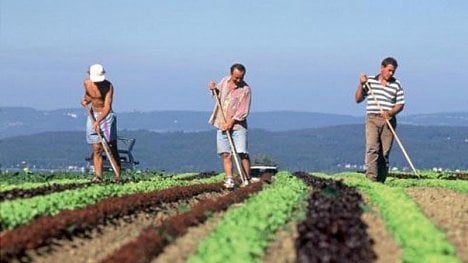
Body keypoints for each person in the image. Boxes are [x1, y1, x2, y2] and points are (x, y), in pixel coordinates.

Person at [355, 57, 405, 183]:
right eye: (389, 70)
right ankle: (371, 179)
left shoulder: (396, 84)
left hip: (388, 120)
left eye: (393, 71)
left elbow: (400, 104)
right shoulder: (370, 81)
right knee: (372, 148)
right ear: (382, 68)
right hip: (372, 118)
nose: (391, 73)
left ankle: (381, 180)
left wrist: (390, 112)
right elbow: (358, 99)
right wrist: (361, 84)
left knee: (384, 153)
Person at [208, 63, 253, 188]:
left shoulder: (246, 90)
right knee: (225, 153)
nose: (238, 80)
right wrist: (213, 88)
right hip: (221, 123)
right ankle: (229, 179)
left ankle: (246, 179)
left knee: (241, 152)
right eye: (236, 78)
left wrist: (231, 123)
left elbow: (243, 111)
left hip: (238, 126)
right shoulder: (224, 81)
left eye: (241, 78)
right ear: (231, 74)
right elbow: (217, 94)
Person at [80, 64, 121, 182]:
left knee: (110, 148)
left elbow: (107, 106)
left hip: (106, 117)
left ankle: (117, 177)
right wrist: (84, 101)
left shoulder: (108, 86)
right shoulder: (86, 83)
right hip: (92, 115)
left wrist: (99, 121)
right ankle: (98, 177)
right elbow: (89, 97)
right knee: (96, 148)